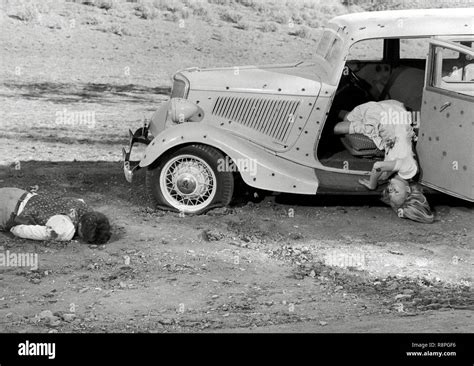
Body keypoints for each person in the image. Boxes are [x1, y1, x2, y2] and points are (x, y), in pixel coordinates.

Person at [334, 100, 434, 223]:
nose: (391, 188)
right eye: (396, 190)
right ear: (408, 190)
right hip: (386, 118)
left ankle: (334, 108)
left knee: (346, 118)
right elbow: (378, 166)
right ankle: (332, 109)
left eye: (390, 191)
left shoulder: (402, 175)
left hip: (393, 116)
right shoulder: (410, 169)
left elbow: (387, 168)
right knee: (337, 128)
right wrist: (372, 183)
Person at [0, 187, 111, 243]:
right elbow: (41, 233)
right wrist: (16, 229)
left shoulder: (82, 205)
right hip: (8, 210)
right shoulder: (65, 230)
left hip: (18, 193)